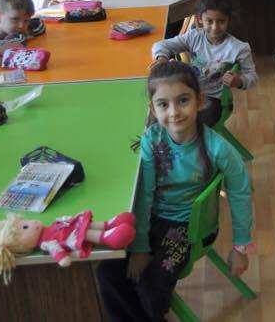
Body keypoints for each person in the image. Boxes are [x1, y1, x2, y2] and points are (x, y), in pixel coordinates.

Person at [97, 60, 253, 322]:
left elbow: (240, 193)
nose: (174, 112)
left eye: (183, 100)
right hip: (153, 221)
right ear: (152, 108)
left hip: (187, 230)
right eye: (163, 104)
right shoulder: (152, 140)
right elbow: (145, 196)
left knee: (150, 289)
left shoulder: (218, 148)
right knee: (107, 273)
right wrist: (140, 247)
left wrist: (240, 248)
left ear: (200, 100)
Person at [150, 0, 257, 127]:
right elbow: (161, 45)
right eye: (209, 21)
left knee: (190, 126)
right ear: (200, 19)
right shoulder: (194, 36)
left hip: (213, 100)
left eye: (221, 21)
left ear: (229, 20)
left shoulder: (239, 48)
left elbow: (252, 77)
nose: (215, 27)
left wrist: (239, 81)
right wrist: (162, 58)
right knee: (159, 115)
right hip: (186, 93)